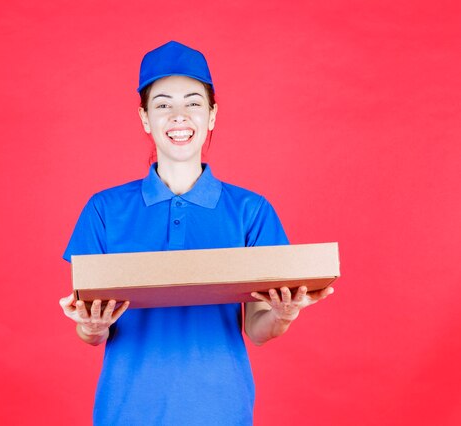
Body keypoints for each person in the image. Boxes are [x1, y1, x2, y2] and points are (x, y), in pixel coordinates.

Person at [59, 40, 334, 425]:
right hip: (126, 410)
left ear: (212, 115)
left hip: (221, 409)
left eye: (192, 102)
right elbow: (92, 332)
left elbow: (257, 329)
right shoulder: (104, 210)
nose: (178, 116)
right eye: (162, 105)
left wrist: (282, 316)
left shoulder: (249, 211)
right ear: (144, 119)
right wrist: (90, 328)